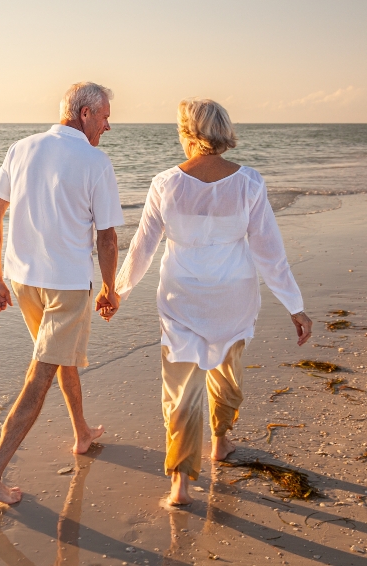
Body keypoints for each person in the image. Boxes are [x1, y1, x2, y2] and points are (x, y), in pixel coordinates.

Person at [110, 98, 313, 506]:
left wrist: (118, 291)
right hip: (233, 298)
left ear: (188, 133)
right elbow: (269, 252)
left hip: (181, 297)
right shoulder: (250, 182)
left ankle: (181, 484)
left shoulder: (165, 182)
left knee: (181, 390)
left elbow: (142, 249)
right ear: (222, 132)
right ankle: (220, 442)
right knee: (227, 374)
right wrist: (295, 305)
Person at [0, 82, 124, 505]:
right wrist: (111, 288)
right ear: (85, 114)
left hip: (23, 281)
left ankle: (80, 432)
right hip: (67, 286)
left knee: (60, 357)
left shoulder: (21, 148)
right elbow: (108, 237)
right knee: (41, 373)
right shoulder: (95, 161)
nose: (109, 125)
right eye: (105, 116)